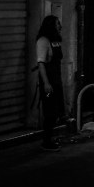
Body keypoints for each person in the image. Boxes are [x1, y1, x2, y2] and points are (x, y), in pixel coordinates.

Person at [35, 15, 64, 151]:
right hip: (49, 81)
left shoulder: (55, 41)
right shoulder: (43, 41)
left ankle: (50, 138)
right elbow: (41, 63)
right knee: (50, 112)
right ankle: (46, 141)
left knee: (57, 110)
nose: (60, 26)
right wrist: (46, 83)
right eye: (58, 24)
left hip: (57, 80)